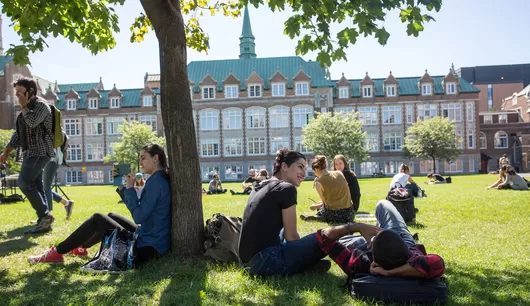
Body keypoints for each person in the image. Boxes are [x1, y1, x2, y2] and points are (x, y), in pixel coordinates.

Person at [28, 144, 171, 266]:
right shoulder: (157, 180)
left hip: (147, 249)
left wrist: (130, 188)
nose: (140, 163)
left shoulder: (156, 183)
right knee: (111, 216)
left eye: (143, 158)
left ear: (156, 158)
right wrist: (123, 189)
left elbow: (139, 216)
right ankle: (81, 247)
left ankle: (57, 253)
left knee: (98, 218)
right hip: (150, 238)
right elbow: (143, 209)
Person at [238, 149, 330, 276]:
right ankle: (305, 265)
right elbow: (291, 237)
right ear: (284, 166)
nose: (304, 173)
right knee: (328, 237)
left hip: (244, 262)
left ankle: (304, 266)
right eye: (300, 167)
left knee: (283, 231)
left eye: (305, 169)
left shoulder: (260, 185)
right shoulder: (286, 188)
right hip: (264, 261)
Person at [315, 200, 445, 279]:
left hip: (376, 246)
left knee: (343, 239)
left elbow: (323, 236)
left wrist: (357, 226)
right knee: (383, 204)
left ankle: (361, 235)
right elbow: (437, 263)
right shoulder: (415, 259)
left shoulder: (361, 265)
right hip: (405, 240)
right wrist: (389, 273)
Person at [0, 77, 55, 233]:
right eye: (15, 93)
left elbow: (32, 122)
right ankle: (44, 220)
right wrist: (6, 151)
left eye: (19, 93)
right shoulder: (24, 110)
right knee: (36, 184)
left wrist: (23, 107)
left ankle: (44, 215)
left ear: (30, 91)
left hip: (40, 151)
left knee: (24, 182)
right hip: (30, 152)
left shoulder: (42, 106)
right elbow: (18, 134)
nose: (17, 96)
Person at [301, 155, 354, 223]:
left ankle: (317, 218)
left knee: (322, 210)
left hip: (337, 215)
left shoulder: (318, 183)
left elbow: (324, 203)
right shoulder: (339, 173)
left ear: (316, 169)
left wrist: (314, 206)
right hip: (350, 214)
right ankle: (320, 217)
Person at [42, 132, 74, 220]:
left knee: (46, 187)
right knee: (43, 186)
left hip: (51, 159)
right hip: (53, 159)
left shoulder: (53, 131)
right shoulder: (59, 131)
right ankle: (67, 203)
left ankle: (46, 215)